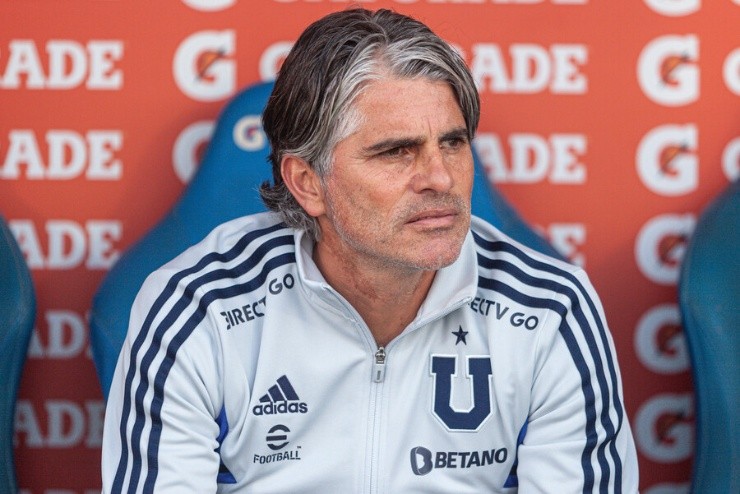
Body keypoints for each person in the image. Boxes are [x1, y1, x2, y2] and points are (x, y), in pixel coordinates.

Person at [102, 8, 638, 493]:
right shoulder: (199, 308)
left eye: (453, 143)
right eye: (396, 151)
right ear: (307, 182)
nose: (440, 177)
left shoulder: (551, 310)